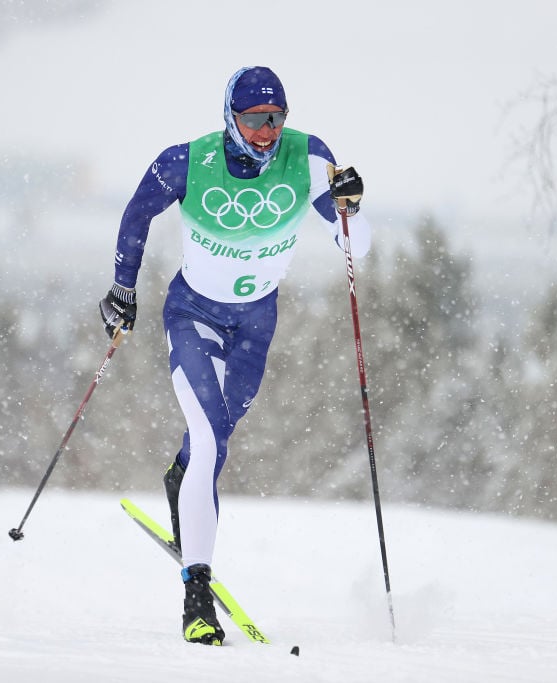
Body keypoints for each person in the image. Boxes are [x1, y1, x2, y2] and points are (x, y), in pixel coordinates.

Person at [99, 65, 371, 646]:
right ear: (231, 116)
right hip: (193, 315)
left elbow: (358, 243)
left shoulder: (307, 156)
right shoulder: (188, 161)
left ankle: (180, 479)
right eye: (254, 120)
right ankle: (197, 596)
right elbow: (136, 212)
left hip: (255, 325)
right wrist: (124, 288)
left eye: (276, 119)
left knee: (213, 442)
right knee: (211, 439)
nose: (267, 132)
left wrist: (349, 208)